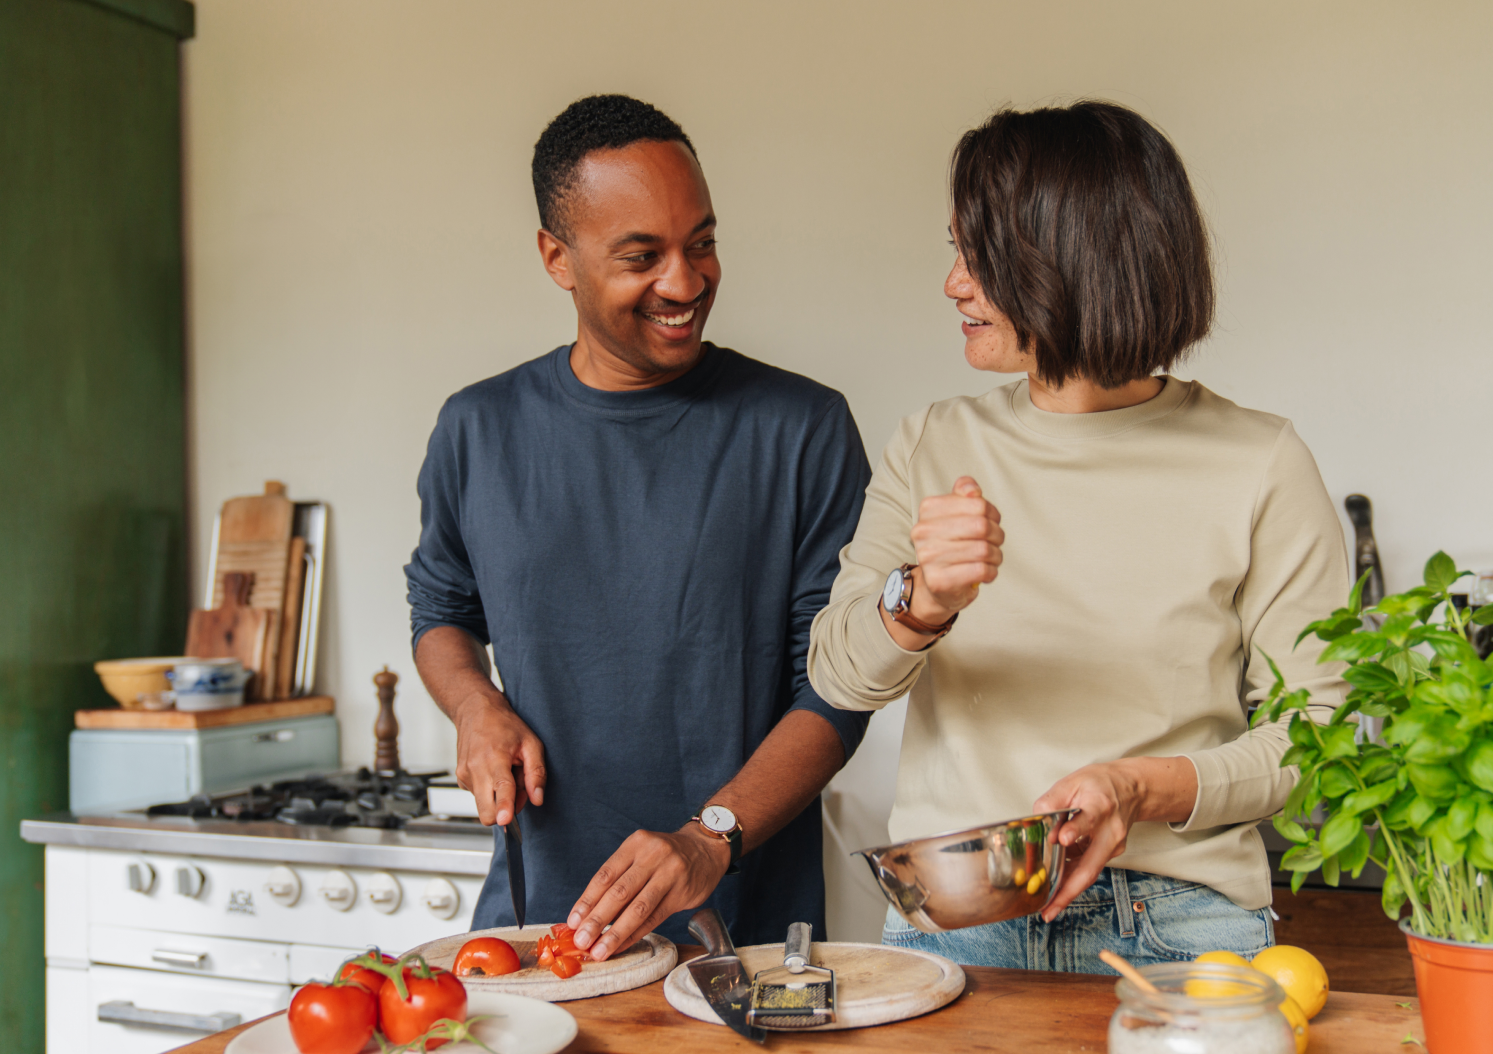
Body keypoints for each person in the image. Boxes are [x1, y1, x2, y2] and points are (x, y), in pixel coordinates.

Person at [806, 101, 1348, 971]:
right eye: (954, 247)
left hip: (1179, 917)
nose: (953, 282)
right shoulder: (932, 443)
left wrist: (1138, 788)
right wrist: (922, 598)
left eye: (979, 255)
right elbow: (836, 671)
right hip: (958, 913)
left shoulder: (1260, 461)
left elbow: (1319, 734)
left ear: (1077, 258)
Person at [406, 94, 871, 959]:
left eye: (702, 243)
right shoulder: (477, 429)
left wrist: (708, 838)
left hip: (747, 949)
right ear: (558, 257)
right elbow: (441, 609)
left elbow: (842, 689)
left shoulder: (801, 429)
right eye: (642, 256)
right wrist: (475, 706)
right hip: (535, 934)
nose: (686, 283)